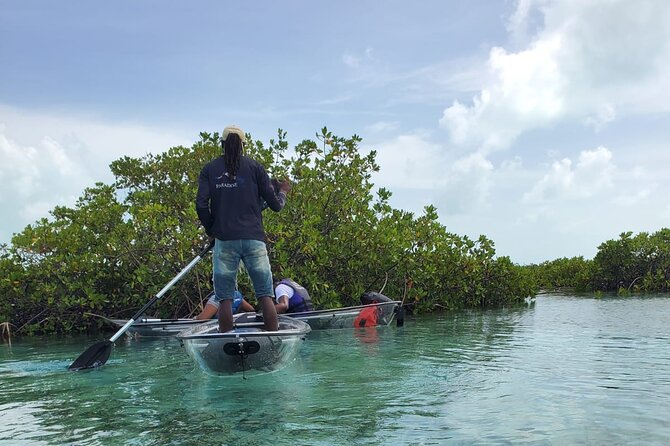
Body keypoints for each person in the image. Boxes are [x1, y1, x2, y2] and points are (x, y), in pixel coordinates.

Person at [196, 124, 291, 332]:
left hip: (224, 240)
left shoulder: (210, 169)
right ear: (243, 145)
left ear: (222, 144)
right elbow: (275, 205)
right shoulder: (256, 167)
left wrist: (212, 230)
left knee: (225, 297)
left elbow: (201, 205)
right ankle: (273, 339)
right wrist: (282, 191)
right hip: (253, 239)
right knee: (265, 293)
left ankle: (226, 341)